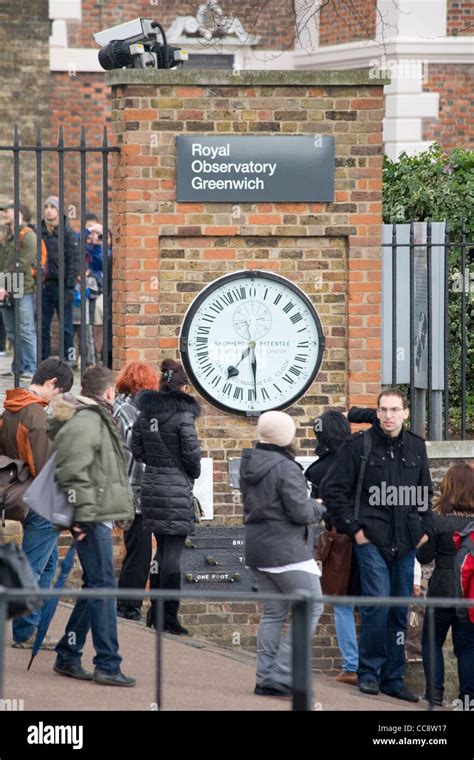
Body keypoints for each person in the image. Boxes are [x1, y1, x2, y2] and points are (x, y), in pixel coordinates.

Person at [322, 388, 434, 702]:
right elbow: (333, 490)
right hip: (371, 539)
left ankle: (393, 678)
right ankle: (368, 672)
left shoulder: (416, 447)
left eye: (394, 410)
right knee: (377, 606)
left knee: (399, 609)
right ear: (377, 412)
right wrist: (355, 530)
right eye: (383, 410)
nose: (388, 416)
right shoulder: (359, 446)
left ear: (405, 413)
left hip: (406, 541)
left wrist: (424, 528)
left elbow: (425, 491)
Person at [49, 365, 135, 686]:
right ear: (109, 391)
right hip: (91, 516)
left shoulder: (94, 418)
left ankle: (68, 655)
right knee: (103, 588)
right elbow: (72, 472)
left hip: (96, 514)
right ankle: (108, 664)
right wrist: (83, 517)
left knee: (95, 585)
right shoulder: (87, 420)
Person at [240, 410, 325, 698]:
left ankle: (265, 678)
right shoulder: (285, 468)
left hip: (258, 550)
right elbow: (301, 512)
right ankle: (282, 673)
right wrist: (318, 505)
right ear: (285, 436)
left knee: (274, 612)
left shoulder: (250, 462)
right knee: (312, 605)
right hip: (286, 551)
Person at [0, 358, 74, 647]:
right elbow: (45, 468)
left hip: (19, 494)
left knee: (47, 562)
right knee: (33, 565)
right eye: (61, 393)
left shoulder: (10, 408)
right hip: (38, 502)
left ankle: (31, 628)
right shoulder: (36, 416)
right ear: (52, 384)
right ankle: (25, 631)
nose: (59, 400)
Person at [131, 358, 201, 635]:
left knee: (160, 550)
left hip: (151, 485)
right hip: (176, 486)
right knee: (173, 553)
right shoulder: (184, 416)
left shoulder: (145, 414)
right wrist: (188, 473)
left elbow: (137, 449)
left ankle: (154, 611)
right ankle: (168, 616)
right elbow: (192, 455)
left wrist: (158, 464)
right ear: (183, 387)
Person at [306, 410, 359, 686]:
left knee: (341, 603)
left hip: (339, 539)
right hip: (369, 535)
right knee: (377, 603)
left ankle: (352, 666)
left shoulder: (319, 469)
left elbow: (319, 509)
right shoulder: (361, 456)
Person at [417, 463, 474, 707]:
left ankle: (435, 695)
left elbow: (424, 557)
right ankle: (468, 699)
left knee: (431, 642)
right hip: (467, 589)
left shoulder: (438, 521)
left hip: (441, 586)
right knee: (467, 648)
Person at [113, 361, 159, 621]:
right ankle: (128, 607)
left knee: (136, 551)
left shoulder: (122, 405)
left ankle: (127, 604)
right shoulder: (130, 411)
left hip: (129, 488)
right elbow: (136, 447)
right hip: (134, 491)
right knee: (139, 553)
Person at [0, 201, 37, 379]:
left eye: (7, 211)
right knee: (12, 331)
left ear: (18, 213)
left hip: (22, 288)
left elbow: (22, 265)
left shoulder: (28, 235)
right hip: (6, 288)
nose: (4, 214)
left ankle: (31, 366)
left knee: (25, 328)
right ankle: (18, 366)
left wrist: (3, 283)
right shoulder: (6, 236)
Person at [41, 196, 79, 363]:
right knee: (43, 325)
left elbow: (73, 261)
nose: (49, 210)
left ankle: (67, 359)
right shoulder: (40, 231)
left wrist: (70, 287)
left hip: (63, 285)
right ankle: (44, 359)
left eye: (52, 207)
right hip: (44, 285)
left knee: (66, 327)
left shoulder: (67, 233)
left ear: (58, 210)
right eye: (46, 207)